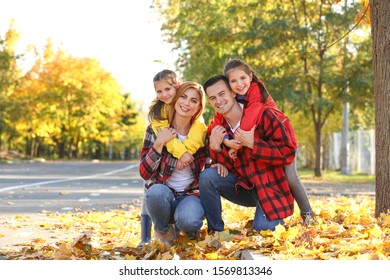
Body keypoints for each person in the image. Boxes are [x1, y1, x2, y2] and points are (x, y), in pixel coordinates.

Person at [215, 59, 314, 224]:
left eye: (242, 78)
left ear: (251, 76)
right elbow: (217, 120)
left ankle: (307, 213)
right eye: (233, 81)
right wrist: (226, 140)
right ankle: (274, 210)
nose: (239, 84)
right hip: (261, 141)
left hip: (282, 135)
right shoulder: (234, 98)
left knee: (290, 177)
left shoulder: (256, 90)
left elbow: (250, 117)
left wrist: (238, 144)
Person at [199, 75, 296, 233]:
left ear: (233, 93)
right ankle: (215, 232)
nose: (218, 101)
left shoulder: (263, 115)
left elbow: (287, 152)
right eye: (213, 98)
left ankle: (265, 217)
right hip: (243, 187)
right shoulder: (218, 129)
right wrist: (216, 148)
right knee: (207, 176)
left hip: (270, 188)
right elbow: (229, 166)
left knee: (265, 230)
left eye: (222, 94)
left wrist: (252, 143)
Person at [138, 70, 207, 247]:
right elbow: (145, 173)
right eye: (183, 98)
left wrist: (219, 155)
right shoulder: (157, 127)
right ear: (177, 99)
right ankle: (162, 231)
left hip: (191, 194)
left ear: (199, 107)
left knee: (188, 220)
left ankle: (188, 231)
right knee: (154, 192)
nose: (186, 103)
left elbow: (210, 166)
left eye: (193, 100)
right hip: (165, 193)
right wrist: (159, 144)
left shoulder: (201, 132)